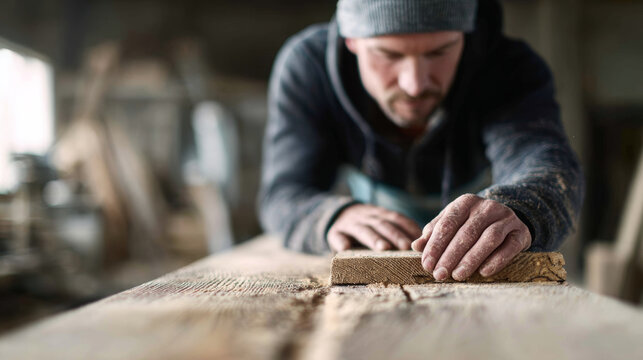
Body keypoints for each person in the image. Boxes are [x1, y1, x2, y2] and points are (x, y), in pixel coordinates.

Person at [258, 0, 584, 282]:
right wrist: (328, 216)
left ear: (465, 37)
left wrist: (521, 208)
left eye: (439, 51)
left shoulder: (507, 67)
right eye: (388, 54)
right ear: (351, 39)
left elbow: (546, 163)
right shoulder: (309, 70)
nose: (414, 85)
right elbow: (284, 193)